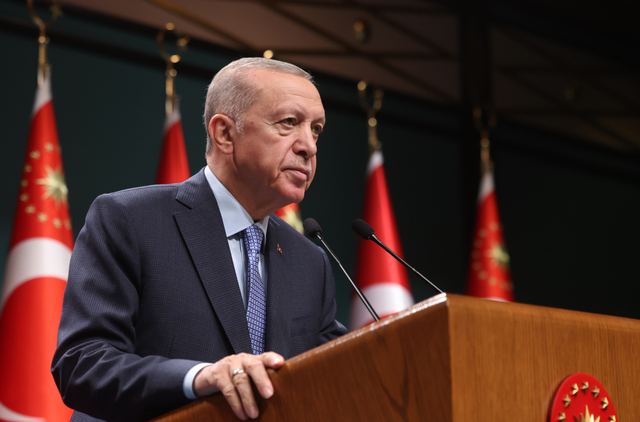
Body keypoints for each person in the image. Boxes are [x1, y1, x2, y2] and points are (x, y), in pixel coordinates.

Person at [51, 57, 347, 422]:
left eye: (315, 129)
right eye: (289, 122)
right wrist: (198, 378)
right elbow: (82, 364)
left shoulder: (309, 261)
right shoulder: (130, 219)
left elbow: (340, 374)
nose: (309, 147)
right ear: (224, 133)